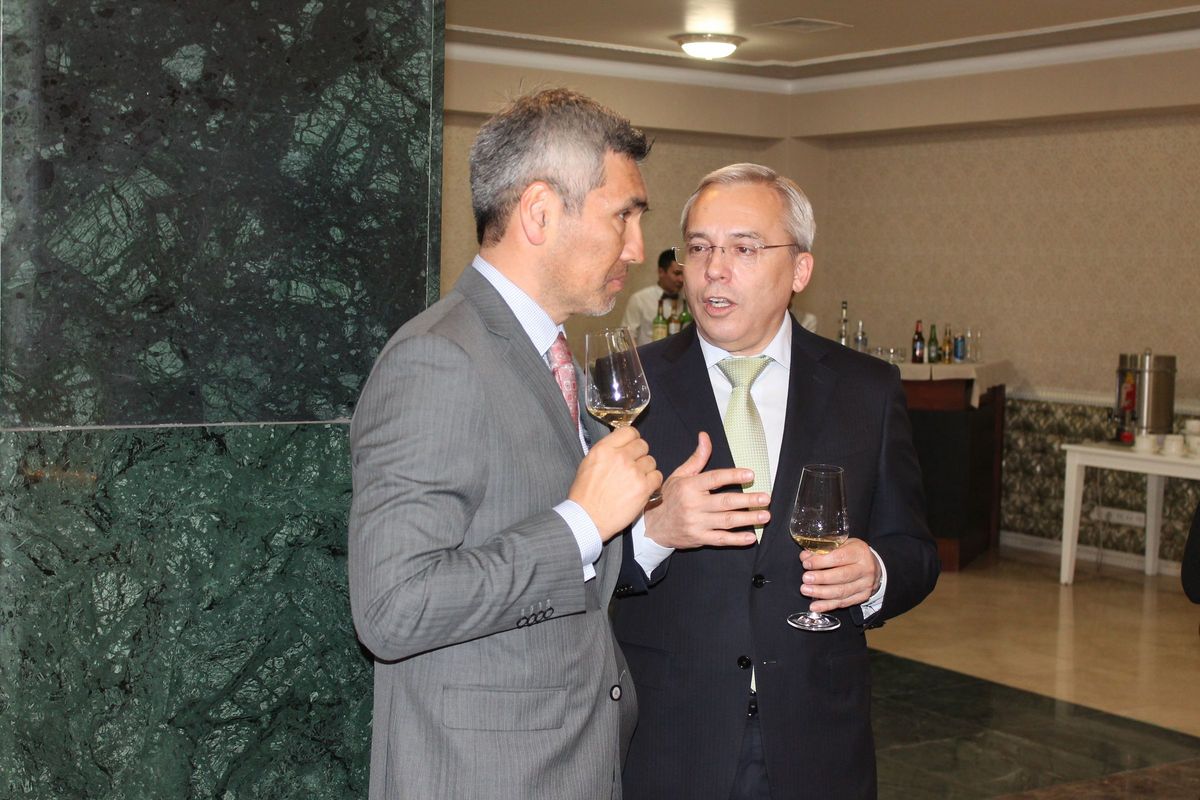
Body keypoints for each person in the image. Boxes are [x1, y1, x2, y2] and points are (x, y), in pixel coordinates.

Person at [349, 88, 663, 800]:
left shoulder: (551, 354)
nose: (638, 249)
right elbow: (392, 609)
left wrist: (649, 533)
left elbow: (533, 541)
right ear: (540, 211)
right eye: (624, 215)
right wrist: (580, 522)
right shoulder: (437, 359)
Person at [613, 163, 940, 799]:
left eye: (744, 248)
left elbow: (915, 551)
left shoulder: (866, 391)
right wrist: (653, 532)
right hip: (670, 740)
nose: (714, 269)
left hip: (818, 740)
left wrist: (874, 573)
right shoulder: (627, 389)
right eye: (700, 248)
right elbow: (576, 566)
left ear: (799, 270)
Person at [622, 248, 685, 344]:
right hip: (647, 353)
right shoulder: (639, 299)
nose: (681, 279)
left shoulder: (688, 301)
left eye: (684, 274)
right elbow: (627, 338)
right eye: (677, 273)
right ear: (661, 272)